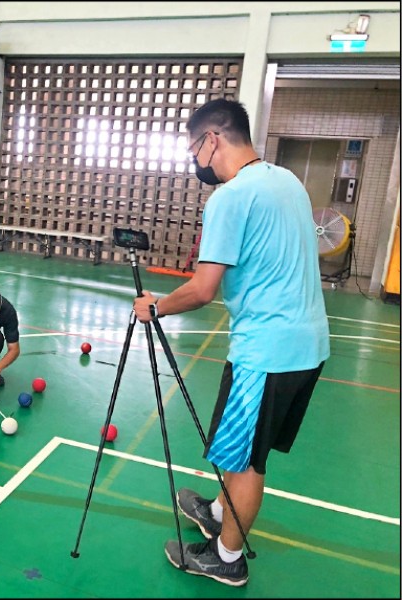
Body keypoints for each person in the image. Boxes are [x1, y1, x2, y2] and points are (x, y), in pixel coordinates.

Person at [133, 98, 330, 587]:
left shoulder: (230, 196)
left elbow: (203, 289)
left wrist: (155, 307)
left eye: (193, 149)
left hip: (267, 351)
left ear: (211, 140)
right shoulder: (287, 181)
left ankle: (226, 557)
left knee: (245, 463)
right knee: (239, 446)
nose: (195, 161)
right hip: (307, 345)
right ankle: (220, 510)